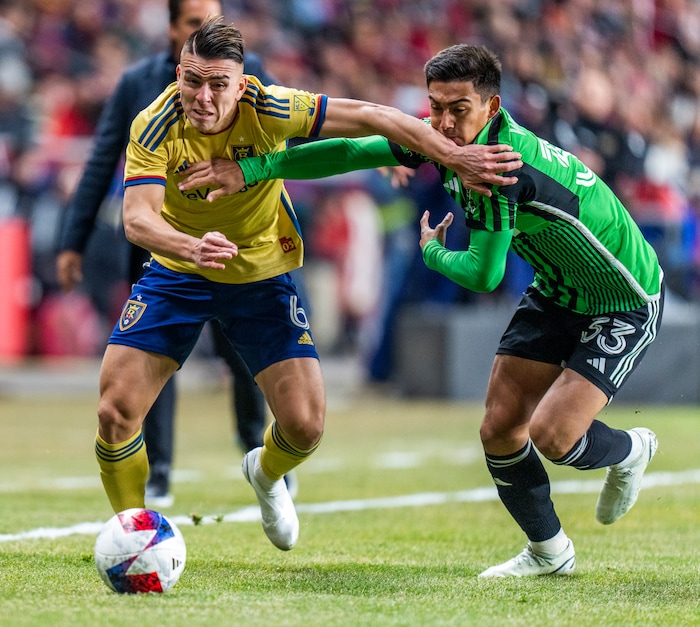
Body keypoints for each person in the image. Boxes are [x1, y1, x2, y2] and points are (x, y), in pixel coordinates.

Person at [182, 43, 663, 572]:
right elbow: (353, 152)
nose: (445, 123)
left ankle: (631, 451)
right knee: (500, 428)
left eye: (460, 110)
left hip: (624, 297)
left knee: (554, 436)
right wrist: (256, 169)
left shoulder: (501, 167)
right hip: (557, 288)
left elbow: (485, 275)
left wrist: (432, 250)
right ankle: (548, 552)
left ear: (492, 108)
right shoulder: (446, 141)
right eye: (436, 107)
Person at [96, 20, 521, 552]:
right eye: (193, 81)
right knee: (115, 411)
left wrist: (451, 155)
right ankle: (134, 536)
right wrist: (190, 247)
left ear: (241, 81)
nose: (203, 97)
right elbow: (137, 220)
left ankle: (267, 474)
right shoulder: (154, 123)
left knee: (305, 426)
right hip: (178, 273)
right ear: (178, 73)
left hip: (261, 274)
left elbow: (372, 116)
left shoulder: (270, 106)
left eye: (218, 85)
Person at [55, 0, 276, 508]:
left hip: (231, 248)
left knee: (242, 356)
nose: (209, 32)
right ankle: (158, 472)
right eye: (196, 24)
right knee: (152, 360)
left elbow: (295, 136)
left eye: (215, 21)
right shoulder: (137, 84)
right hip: (161, 244)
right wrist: (73, 240)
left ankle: (258, 456)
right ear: (173, 31)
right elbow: (101, 160)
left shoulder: (251, 72)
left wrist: (380, 156)